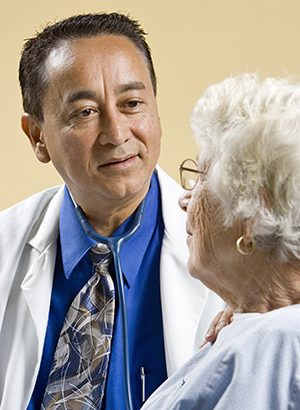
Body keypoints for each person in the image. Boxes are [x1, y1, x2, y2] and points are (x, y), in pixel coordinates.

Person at [0, 13, 226, 410]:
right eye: (85, 112)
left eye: (132, 104)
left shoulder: (243, 255)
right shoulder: (5, 246)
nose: (117, 133)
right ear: (38, 137)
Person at [142, 73, 300, 410]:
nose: (185, 199)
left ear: (252, 215)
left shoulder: (273, 345)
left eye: (200, 178)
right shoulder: (261, 332)